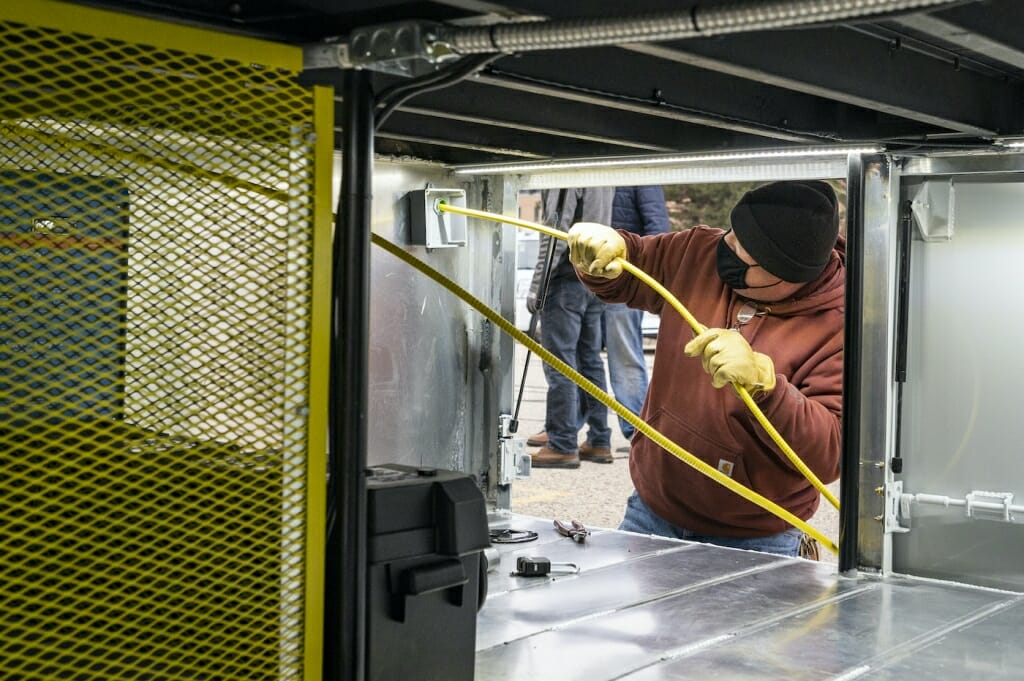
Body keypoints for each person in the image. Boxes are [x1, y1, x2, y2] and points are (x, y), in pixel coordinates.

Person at [566, 180, 843, 557]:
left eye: (743, 254)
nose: (724, 251)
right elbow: (631, 268)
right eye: (731, 236)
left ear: (788, 275)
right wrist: (604, 256)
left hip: (756, 539)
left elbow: (829, 454)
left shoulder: (837, 326)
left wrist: (767, 387)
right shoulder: (699, 251)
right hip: (651, 514)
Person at [525, 187, 615, 469]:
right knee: (590, 361)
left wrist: (537, 288)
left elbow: (555, 233)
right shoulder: (604, 173)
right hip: (593, 279)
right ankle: (599, 440)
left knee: (560, 364)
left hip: (565, 279)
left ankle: (562, 443)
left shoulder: (563, 176)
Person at [604, 186, 670, 445]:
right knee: (588, 358)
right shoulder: (597, 176)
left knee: (625, 357)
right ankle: (593, 432)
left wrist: (650, 279)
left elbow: (658, 227)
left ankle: (638, 431)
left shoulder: (639, 178)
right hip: (595, 278)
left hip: (626, 281)